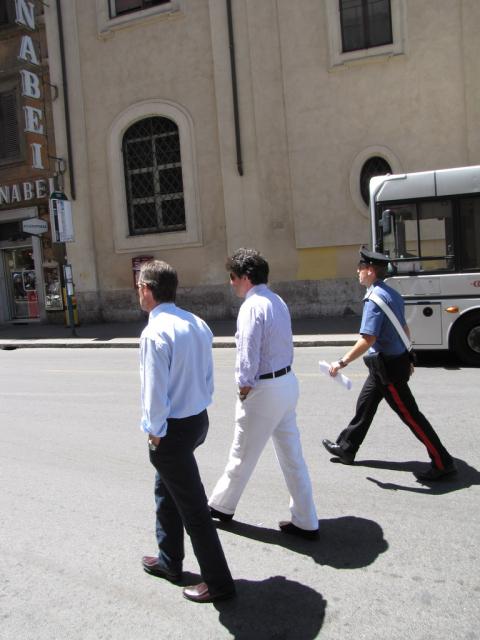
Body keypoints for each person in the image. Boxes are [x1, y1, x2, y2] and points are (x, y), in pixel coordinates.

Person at [137, 260, 235, 603]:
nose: (138, 293)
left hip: (171, 431)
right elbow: (208, 377)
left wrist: (155, 432)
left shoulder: (154, 332)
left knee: (193, 509)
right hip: (196, 420)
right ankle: (170, 561)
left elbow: (154, 393)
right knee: (166, 491)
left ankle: (219, 584)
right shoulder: (196, 322)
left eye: (139, 287)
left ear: (147, 290)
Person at [208, 248, 319, 538]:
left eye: (233, 277)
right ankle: (306, 519)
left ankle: (221, 506)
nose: (231, 282)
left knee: (241, 453)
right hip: (286, 383)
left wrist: (244, 388)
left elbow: (248, 353)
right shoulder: (277, 300)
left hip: (265, 388)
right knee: (292, 457)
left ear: (245, 277)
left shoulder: (252, 306)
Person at [322, 248, 456, 482]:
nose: (357, 271)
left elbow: (368, 338)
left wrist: (341, 362)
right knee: (365, 405)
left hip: (388, 368)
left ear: (370, 271)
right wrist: (409, 356)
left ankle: (443, 462)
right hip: (386, 364)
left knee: (411, 415)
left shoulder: (374, 300)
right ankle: (347, 448)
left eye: (361, 268)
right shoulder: (391, 293)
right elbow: (403, 328)